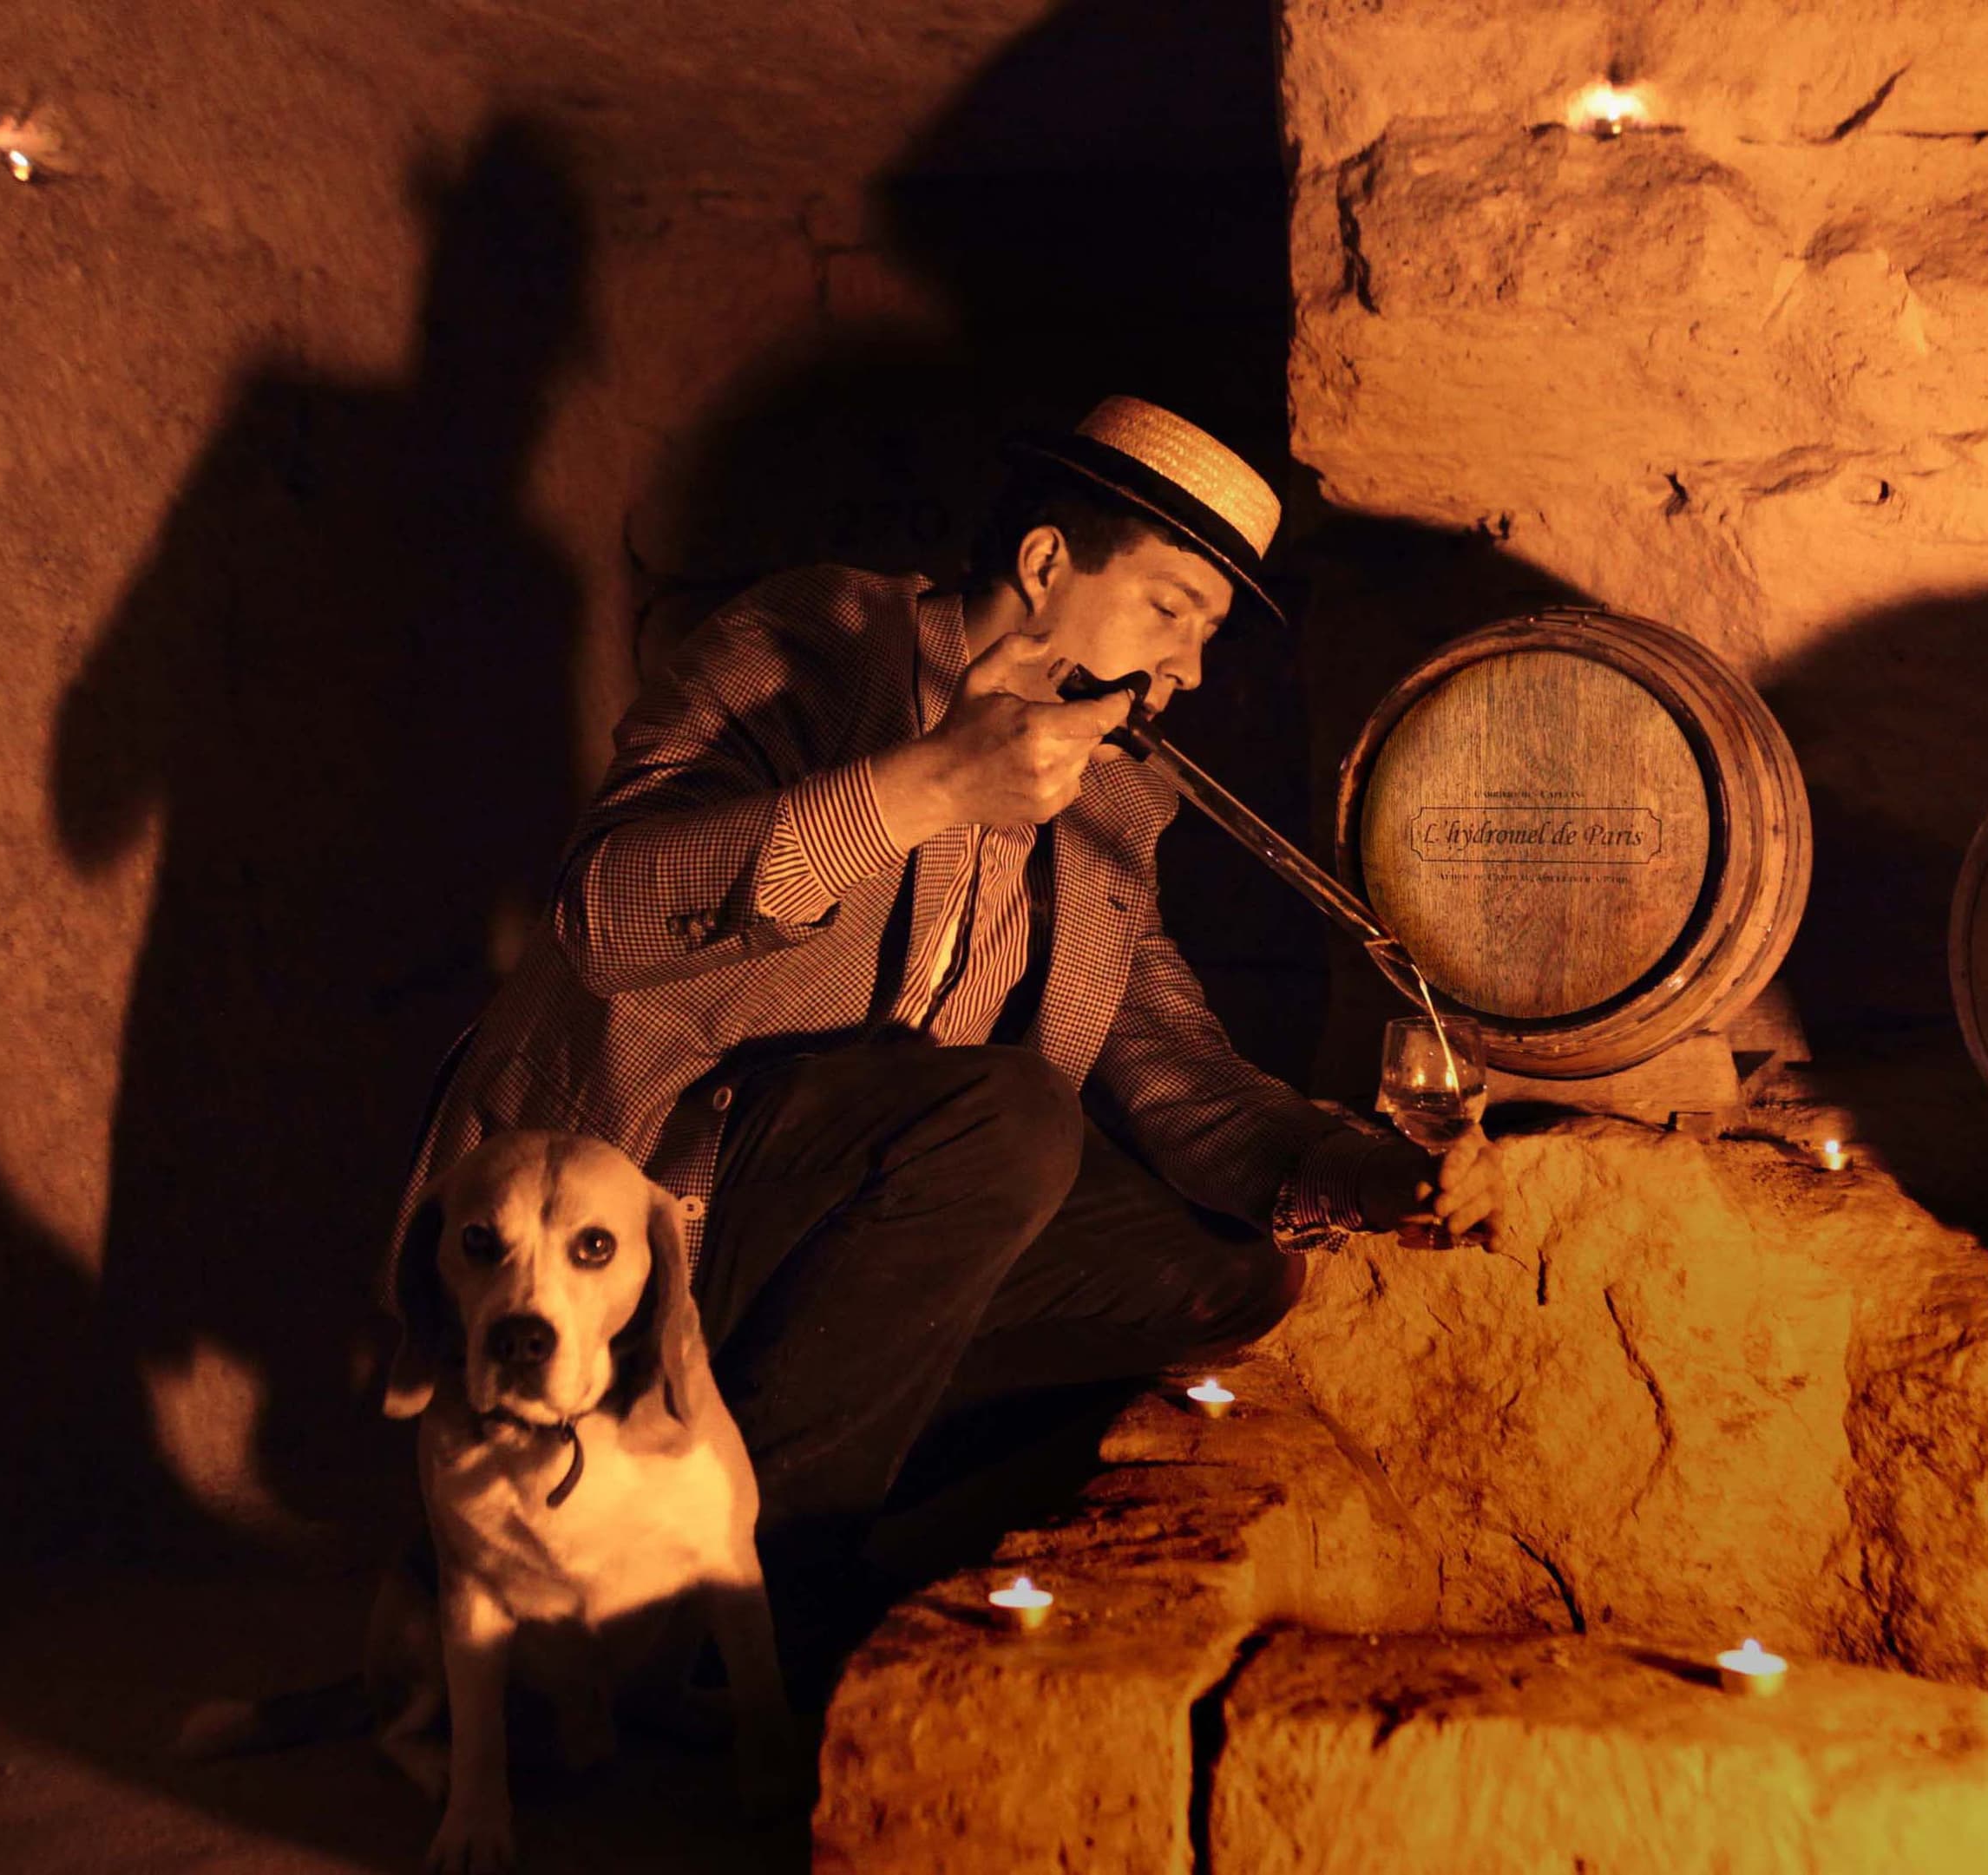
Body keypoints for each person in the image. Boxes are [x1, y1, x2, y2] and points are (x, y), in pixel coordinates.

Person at [383, 397, 1503, 1658]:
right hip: (648, 1205)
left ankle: (782, 1519)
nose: (1189, 667)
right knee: (1016, 1115)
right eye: (1169, 608)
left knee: (1234, 1268)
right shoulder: (809, 641)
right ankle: (758, 1608)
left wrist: (1363, 1168)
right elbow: (606, 916)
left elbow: (1170, 1062)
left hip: (865, 1235)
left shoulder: (1118, 787)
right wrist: (920, 787)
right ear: (1043, 565)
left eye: (1209, 632)